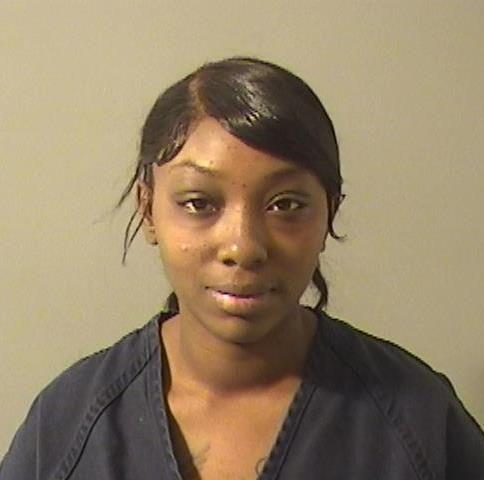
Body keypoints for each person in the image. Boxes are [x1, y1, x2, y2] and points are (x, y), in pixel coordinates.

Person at [1, 57, 483, 480]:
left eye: (286, 204)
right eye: (199, 203)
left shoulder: (417, 422)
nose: (243, 247)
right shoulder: (67, 426)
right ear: (148, 211)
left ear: (329, 212)